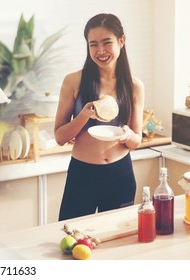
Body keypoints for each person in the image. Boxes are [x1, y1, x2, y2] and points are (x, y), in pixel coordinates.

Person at [54, 13, 145, 221]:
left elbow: (136, 140)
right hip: (82, 174)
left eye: (107, 43)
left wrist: (127, 135)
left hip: (120, 174)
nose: (100, 51)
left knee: (116, 241)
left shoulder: (134, 86)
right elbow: (59, 137)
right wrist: (84, 115)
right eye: (93, 44)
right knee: (71, 238)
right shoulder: (73, 81)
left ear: (121, 41)